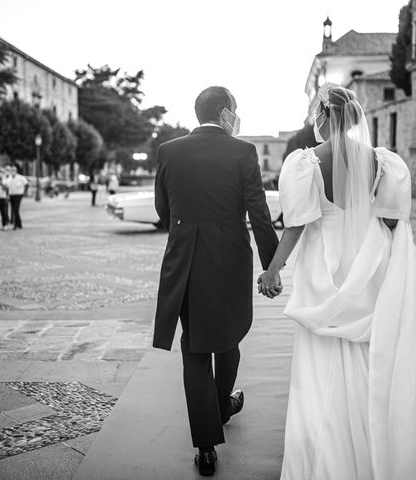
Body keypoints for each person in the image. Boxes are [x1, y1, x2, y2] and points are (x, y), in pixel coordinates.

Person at [258, 86, 416, 480]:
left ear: (326, 115)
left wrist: (273, 269)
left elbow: (296, 224)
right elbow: (394, 222)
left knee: (324, 352)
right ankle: (379, 434)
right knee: (376, 348)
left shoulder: (305, 162)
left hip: (324, 269)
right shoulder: (383, 162)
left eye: (316, 113)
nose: (314, 120)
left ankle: (332, 452)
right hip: (370, 263)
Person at [153, 86, 279, 476]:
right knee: (229, 340)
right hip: (230, 258)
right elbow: (258, 211)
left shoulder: (169, 151)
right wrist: (272, 264)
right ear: (226, 113)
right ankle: (222, 404)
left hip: (185, 258)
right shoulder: (242, 151)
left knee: (194, 349)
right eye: (235, 111)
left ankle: (206, 447)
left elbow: (162, 208)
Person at [6, 166, 28, 230]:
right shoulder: (9, 178)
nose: (13, 172)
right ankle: (19, 223)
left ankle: (15, 225)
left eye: (14, 170)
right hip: (12, 195)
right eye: (12, 170)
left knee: (16, 209)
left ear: (16, 171)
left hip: (19, 195)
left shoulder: (20, 177)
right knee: (14, 210)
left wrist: (25, 192)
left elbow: (26, 184)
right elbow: (7, 187)